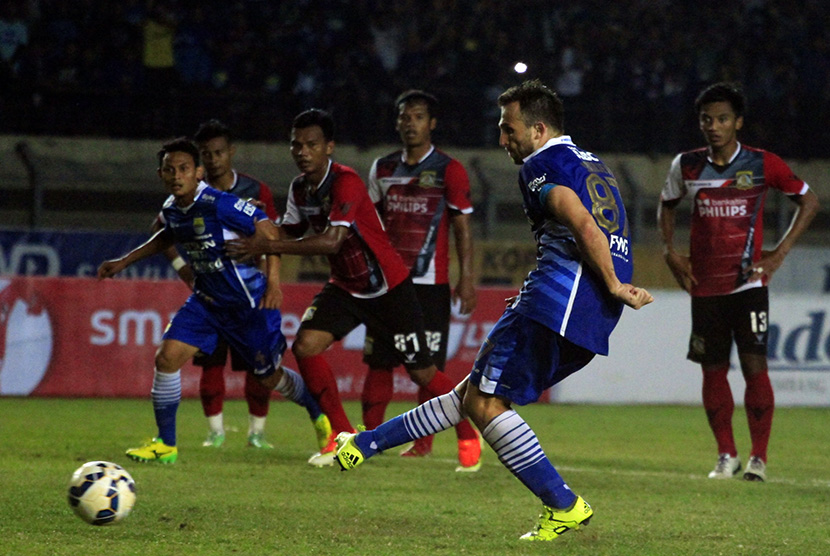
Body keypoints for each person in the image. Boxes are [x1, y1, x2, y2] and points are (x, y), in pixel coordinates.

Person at [333, 79, 654, 541]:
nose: (503, 140)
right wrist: (605, 288)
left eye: (509, 129)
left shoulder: (540, 165)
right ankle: (360, 447)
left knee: (484, 402)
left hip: (558, 302)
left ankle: (563, 504)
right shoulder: (591, 163)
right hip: (587, 312)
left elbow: (580, 220)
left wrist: (613, 283)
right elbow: (587, 227)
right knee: (471, 394)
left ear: (539, 129)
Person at [225, 109, 479, 469]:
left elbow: (331, 242)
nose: (302, 151)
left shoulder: (347, 182)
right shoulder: (300, 188)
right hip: (346, 287)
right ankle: (342, 438)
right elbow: (292, 232)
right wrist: (259, 226)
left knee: (421, 373)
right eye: (296, 145)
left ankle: (468, 432)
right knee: (306, 346)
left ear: (329, 147)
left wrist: (264, 247)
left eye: (311, 144)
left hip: (389, 288)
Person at [98, 137, 330, 464]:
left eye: (184, 169)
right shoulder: (171, 208)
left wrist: (274, 282)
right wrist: (124, 261)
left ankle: (319, 414)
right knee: (167, 358)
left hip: (248, 304)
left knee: (268, 376)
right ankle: (166, 444)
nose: (176, 175)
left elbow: (269, 230)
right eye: (169, 170)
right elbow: (169, 234)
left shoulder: (219, 203)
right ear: (160, 174)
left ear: (198, 173)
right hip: (206, 302)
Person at [658, 82, 819, 482]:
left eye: (723, 119)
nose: (714, 126)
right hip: (704, 285)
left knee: (753, 366)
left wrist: (778, 254)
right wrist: (670, 251)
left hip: (747, 283)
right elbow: (666, 205)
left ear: (738, 123)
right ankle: (725, 455)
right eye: (707, 119)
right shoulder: (687, 165)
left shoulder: (762, 164)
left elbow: (809, 200)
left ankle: (758, 459)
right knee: (712, 370)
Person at [361, 89, 480, 470]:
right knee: (378, 362)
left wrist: (467, 279)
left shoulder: (449, 169)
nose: (409, 122)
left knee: (425, 369)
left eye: (417, 116)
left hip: (430, 285)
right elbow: (368, 225)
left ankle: (432, 442)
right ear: (397, 122)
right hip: (386, 284)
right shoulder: (381, 168)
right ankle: (367, 441)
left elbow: (462, 226)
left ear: (432, 124)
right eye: (404, 116)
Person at [188, 119, 279, 450]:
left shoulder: (256, 191)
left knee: (258, 365)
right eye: (206, 154)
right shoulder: (191, 191)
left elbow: (273, 239)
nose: (213, 160)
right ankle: (215, 433)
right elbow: (165, 233)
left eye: (218, 153)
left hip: (248, 292)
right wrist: (184, 270)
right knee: (211, 362)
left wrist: (272, 282)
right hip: (211, 294)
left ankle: (257, 433)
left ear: (231, 153)